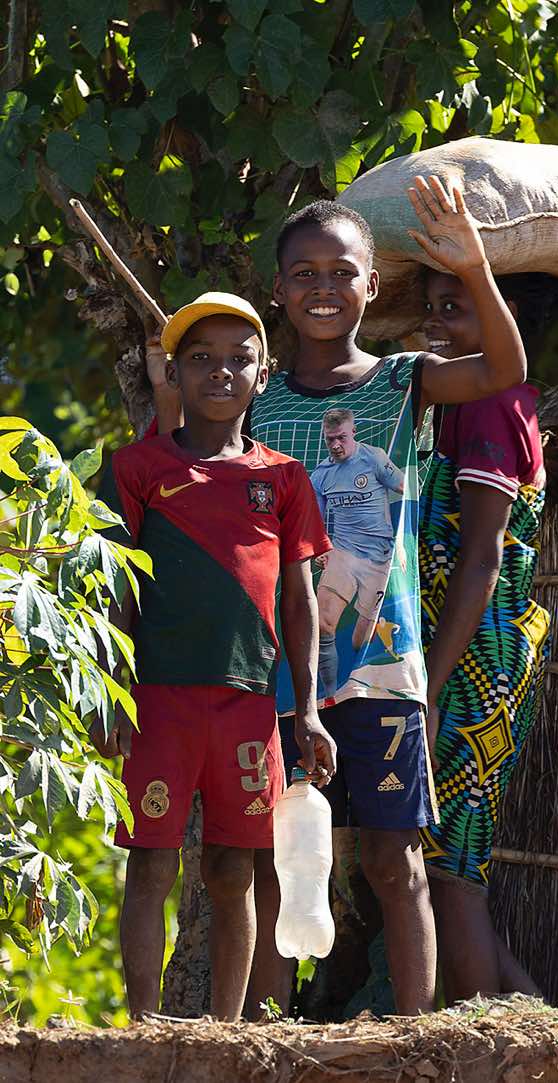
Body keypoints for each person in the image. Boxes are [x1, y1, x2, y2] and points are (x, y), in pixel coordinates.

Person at [148, 177, 527, 1016]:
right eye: (304, 274)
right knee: (277, 861)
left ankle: (414, 1043)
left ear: (370, 286)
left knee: (395, 862)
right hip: (273, 669)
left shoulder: (403, 382)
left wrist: (474, 265)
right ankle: (267, 1037)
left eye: (341, 272)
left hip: (383, 664)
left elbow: (506, 368)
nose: (323, 287)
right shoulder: (254, 393)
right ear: (278, 290)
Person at [90, 293, 336, 1022]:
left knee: (234, 869)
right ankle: (140, 1024)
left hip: (249, 704)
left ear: (264, 374)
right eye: (200, 359)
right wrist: (112, 687)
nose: (220, 372)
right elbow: (118, 592)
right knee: (152, 863)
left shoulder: (284, 479)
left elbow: (299, 604)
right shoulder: (134, 468)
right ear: (172, 371)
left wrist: (309, 713)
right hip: (158, 700)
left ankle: (223, 1036)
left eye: (239, 358)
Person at [418, 268, 555, 1003]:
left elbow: (481, 556)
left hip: (475, 663)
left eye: (458, 309)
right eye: (431, 308)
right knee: (440, 869)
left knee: (450, 874)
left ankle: (482, 1054)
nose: (438, 323)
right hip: (469, 656)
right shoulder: (462, 405)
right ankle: (537, 1036)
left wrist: (427, 689)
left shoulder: (491, 405)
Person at [311, 407, 405, 696]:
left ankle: (358, 690)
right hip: (343, 552)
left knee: (359, 641)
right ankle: (328, 695)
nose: (336, 445)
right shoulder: (321, 476)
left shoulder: (374, 457)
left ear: (354, 432)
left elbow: (407, 489)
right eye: (330, 440)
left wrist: (406, 542)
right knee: (323, 623)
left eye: (341, 438)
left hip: (379, 558)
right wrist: (321, 548)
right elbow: (315, 522)